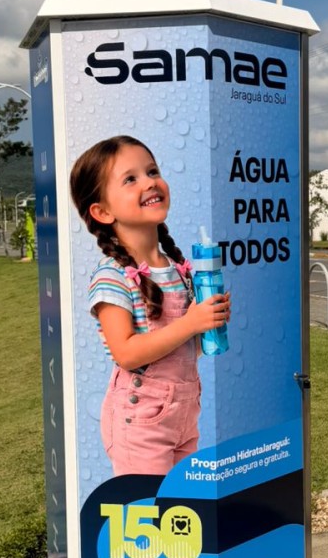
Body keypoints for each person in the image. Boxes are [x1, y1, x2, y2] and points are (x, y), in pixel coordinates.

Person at [69, 135, 230, 477]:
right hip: (140, 424)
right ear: (102, 211)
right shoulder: (113, 277)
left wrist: (208, 324)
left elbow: (182, 351)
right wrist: (190, 323)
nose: (150, 182)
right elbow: (126, 353)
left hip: (184, 416)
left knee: (180, 515)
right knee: (149, 520)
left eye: (152, 171)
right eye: (130, 179)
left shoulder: (178, 267)